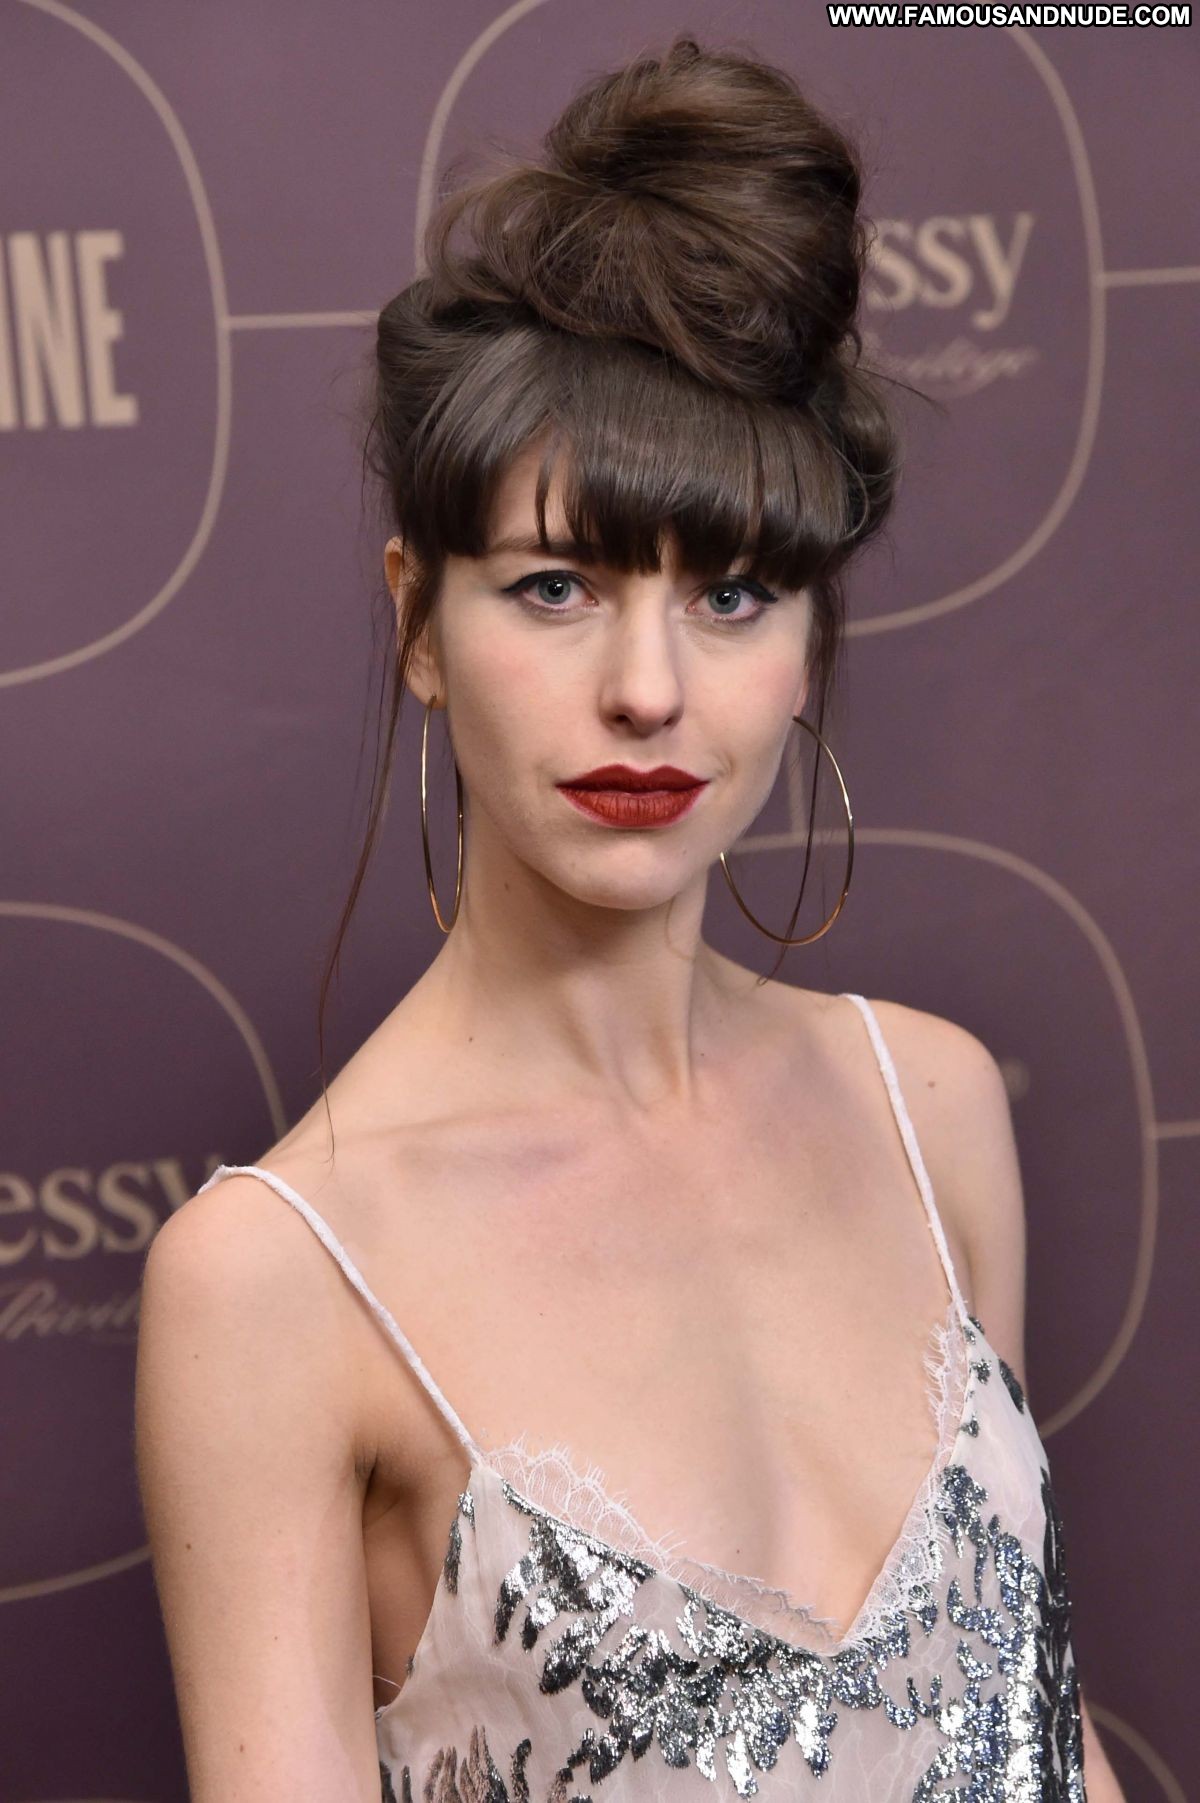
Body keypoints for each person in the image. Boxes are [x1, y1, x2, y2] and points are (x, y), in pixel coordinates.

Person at [134, 36, 1123, 1801]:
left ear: (809, 635)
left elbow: (1045, 1737)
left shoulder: (935, 1109)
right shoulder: (272, 1285)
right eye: (555, 588)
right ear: (419, 625)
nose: (649, 691)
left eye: (733, 594)